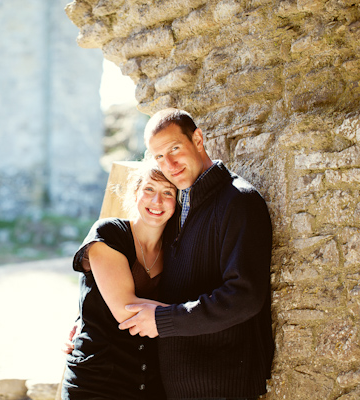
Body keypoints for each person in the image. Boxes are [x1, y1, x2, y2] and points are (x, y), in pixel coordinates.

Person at [118, 108, 274, 400]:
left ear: (198, 139)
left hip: (221, 386)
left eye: (175, 149)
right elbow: (147, 272)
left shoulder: (239, 201)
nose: (170, 164)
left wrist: (163, 319)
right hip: (174, 384)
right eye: (159, 157)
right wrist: (89, 319)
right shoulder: (175, 204)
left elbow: (245, 296)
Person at [61, 162, 178, 400]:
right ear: (135, 193)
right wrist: (198, 317)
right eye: (149, 189)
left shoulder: (177, 252)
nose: (157, 200)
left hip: (149, 386)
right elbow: (128, 313)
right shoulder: (109, 234)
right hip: (96, 383)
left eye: (168, 192)